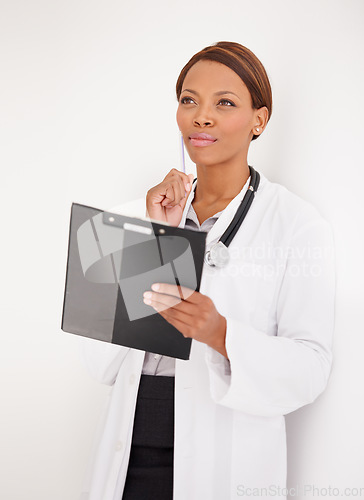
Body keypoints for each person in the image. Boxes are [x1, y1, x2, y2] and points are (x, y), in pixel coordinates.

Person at [79, 41, 336, 500]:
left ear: (260, 119)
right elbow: (100, 363)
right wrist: (156, 236)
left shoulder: (297, 225)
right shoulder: (143, 215)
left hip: (223, 461)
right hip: (129, 453)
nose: (202, 116)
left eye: (225, 103)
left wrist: (221, 334)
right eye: (189, 100)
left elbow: (311, 368)